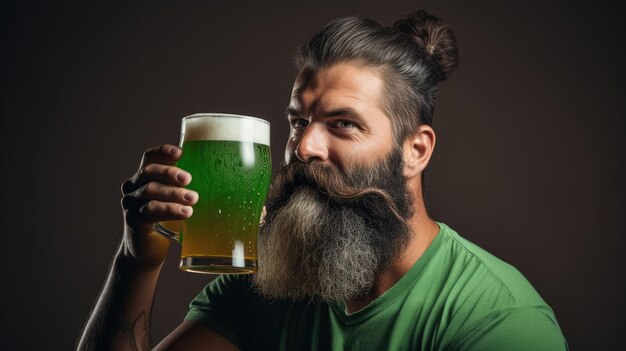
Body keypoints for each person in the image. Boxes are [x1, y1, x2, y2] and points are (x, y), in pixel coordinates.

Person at [78, 10, 568, 350]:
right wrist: (135, 261)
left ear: (414, 151)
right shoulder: (266, 277)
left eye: (343, 124)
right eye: (297, 122)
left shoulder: (497, 320)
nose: (304, 147)